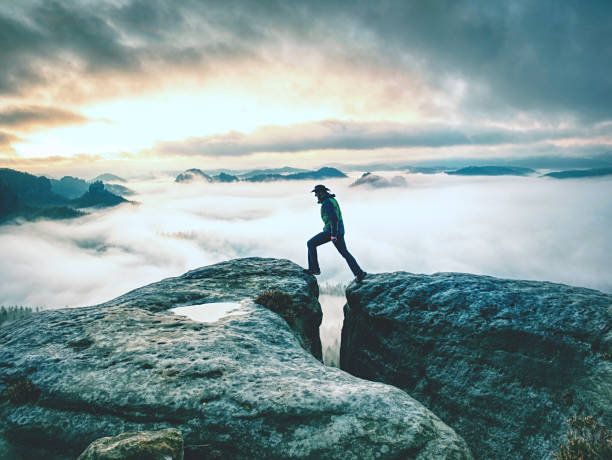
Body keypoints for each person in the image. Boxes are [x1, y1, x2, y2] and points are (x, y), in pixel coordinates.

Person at [304, 184, 367, 282]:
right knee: (345, 253)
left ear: (321, 192)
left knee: (311, 243)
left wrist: (333, 234)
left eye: (316, 193)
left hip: (332, 231)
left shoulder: (327, 203)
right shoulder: (332, 200)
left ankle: (314, 269)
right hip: (339, 230)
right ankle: (359, 273)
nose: (315, 195)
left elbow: (334, 219)